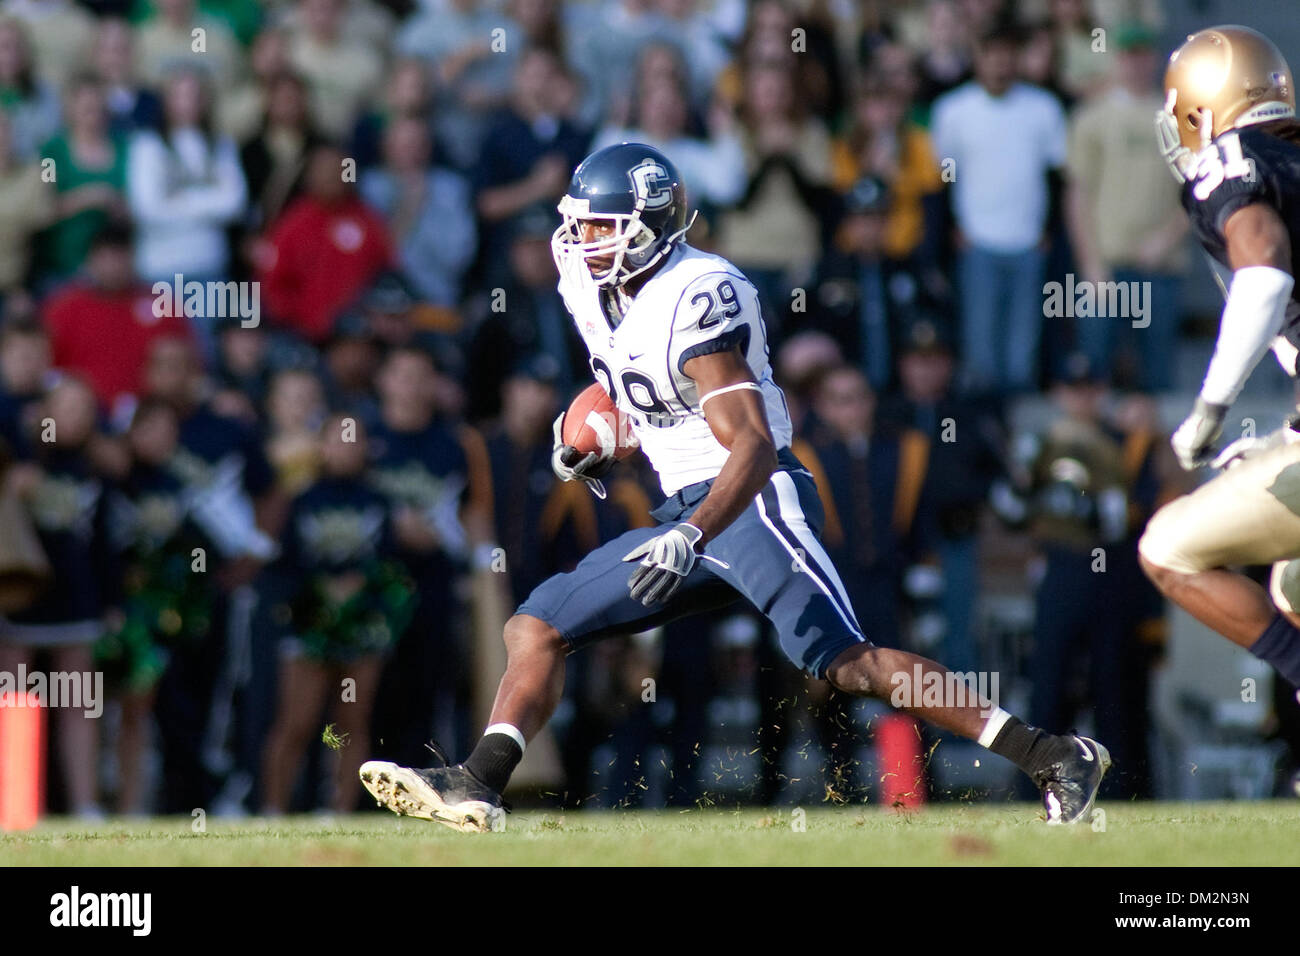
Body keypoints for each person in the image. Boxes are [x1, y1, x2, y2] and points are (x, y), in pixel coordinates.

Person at [359, 142, 1110, 831]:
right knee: (537, 625)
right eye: (580, 227)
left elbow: (749, 443)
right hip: (683, 505)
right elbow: (642, 395)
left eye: (600, 228)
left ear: (645, 227)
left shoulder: (698, 292)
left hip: (751, 499)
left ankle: (1053, 755)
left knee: (848, 664)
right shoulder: (590, 284)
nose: (582, 242)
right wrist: (595, 440)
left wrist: (691, 535)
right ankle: (479, 783)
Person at [1138, 26, 1300, 701]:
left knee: (1166, 548)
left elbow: (1263, 274)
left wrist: (1210, 410)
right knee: (1292, 582)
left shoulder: (1231, 156)